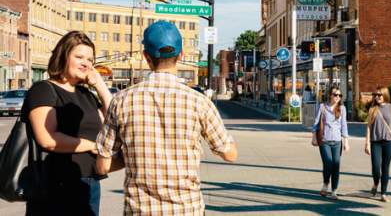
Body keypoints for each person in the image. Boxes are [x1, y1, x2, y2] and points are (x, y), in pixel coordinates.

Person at [95, 21, 237, 214]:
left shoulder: (121, 100)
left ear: (146, 57)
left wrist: (135, 156)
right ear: (181, 55)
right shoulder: (198, 102)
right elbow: (229, 154)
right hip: (187, 209)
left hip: (140, 210)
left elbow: (103, 165)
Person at [21, 31, 116, 216]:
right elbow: (47, 139)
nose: (86, 63)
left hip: (88, 183)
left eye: (90, 59)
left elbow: (113, 119)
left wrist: (100, 86)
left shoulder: (85, 94)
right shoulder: (43, 89)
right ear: (63, 56)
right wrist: (91, 146)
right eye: (79, 56)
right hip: (53, 185)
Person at [364, 86, 391, 203]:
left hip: (388, 142)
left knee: (385, 168)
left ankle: (383, 193)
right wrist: (366, 143)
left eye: (379, 95)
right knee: (376, 168)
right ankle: (376, 183)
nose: (377, 97)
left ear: (385, 95)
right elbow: (368, 127)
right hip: (375, 142)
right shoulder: (372, 109)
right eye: (375, 95)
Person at [311, 84, 349, 200]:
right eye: (335, 94)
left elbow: (344, 125)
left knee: (336, 165)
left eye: (339, 95)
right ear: (330, 95)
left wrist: (346, 141)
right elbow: (317, 122)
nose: (338, 97)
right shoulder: (322, 107)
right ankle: (325, 183)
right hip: (324, 140)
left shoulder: (342, 108)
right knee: (328, 163)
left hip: (337, 141)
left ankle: (334, 190)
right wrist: (313, 136)